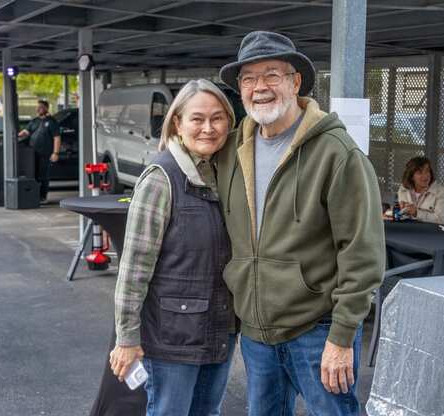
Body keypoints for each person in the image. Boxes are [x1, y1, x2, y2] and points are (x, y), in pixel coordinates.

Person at [217, 31, 385, 415]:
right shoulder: (230, 151)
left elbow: (362, 253)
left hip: (319, 330)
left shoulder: (337, 153)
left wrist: (342, 337)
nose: (259, 87)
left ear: (295, 82)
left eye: (272, 75)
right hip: (258, 334)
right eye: (248, 78)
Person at [109, 79, 237, 416]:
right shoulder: (160, 178)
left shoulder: (224, 176)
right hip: (172, 337)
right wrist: (127, 338)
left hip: (219, 328)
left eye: (217, 118)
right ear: (177, 123)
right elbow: (134, 268)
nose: (208, 128)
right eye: (197, 119)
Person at [18, 100, 61, 203]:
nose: (38, 109)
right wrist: (17, 134)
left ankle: (42, 197)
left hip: (46, 154)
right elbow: (26, 132)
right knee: (34, 174)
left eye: (41, 107)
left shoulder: (52, 122)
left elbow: (57, 138)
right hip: (32, 154)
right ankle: (35, 195)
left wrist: (55, 153)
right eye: (38, 107)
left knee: (43, 175)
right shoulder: (34, 121)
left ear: (46, 108)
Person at [397, 156, 444, 224]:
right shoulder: (403, 189)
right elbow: (401, 214)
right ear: (411, 176)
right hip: (409, 230)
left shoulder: (441, 192)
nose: (425, 176)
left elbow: (441, 219)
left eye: (427, 171)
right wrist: (399, 210)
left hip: (433, 232)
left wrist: (416, 213)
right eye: (420, 173)